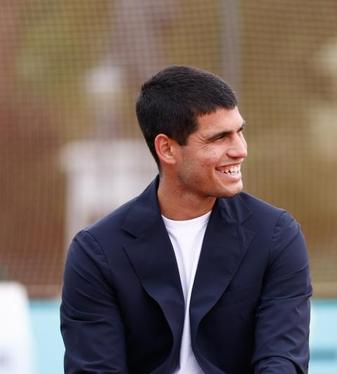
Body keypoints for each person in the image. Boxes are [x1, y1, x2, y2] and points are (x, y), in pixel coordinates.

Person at [60, 66, 312, 373]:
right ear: (167, 148)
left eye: (239, 131)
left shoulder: (275, 235)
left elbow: (282, 360)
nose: (240, 150)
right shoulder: (97, 252)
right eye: (219, 138)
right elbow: (94, 369)